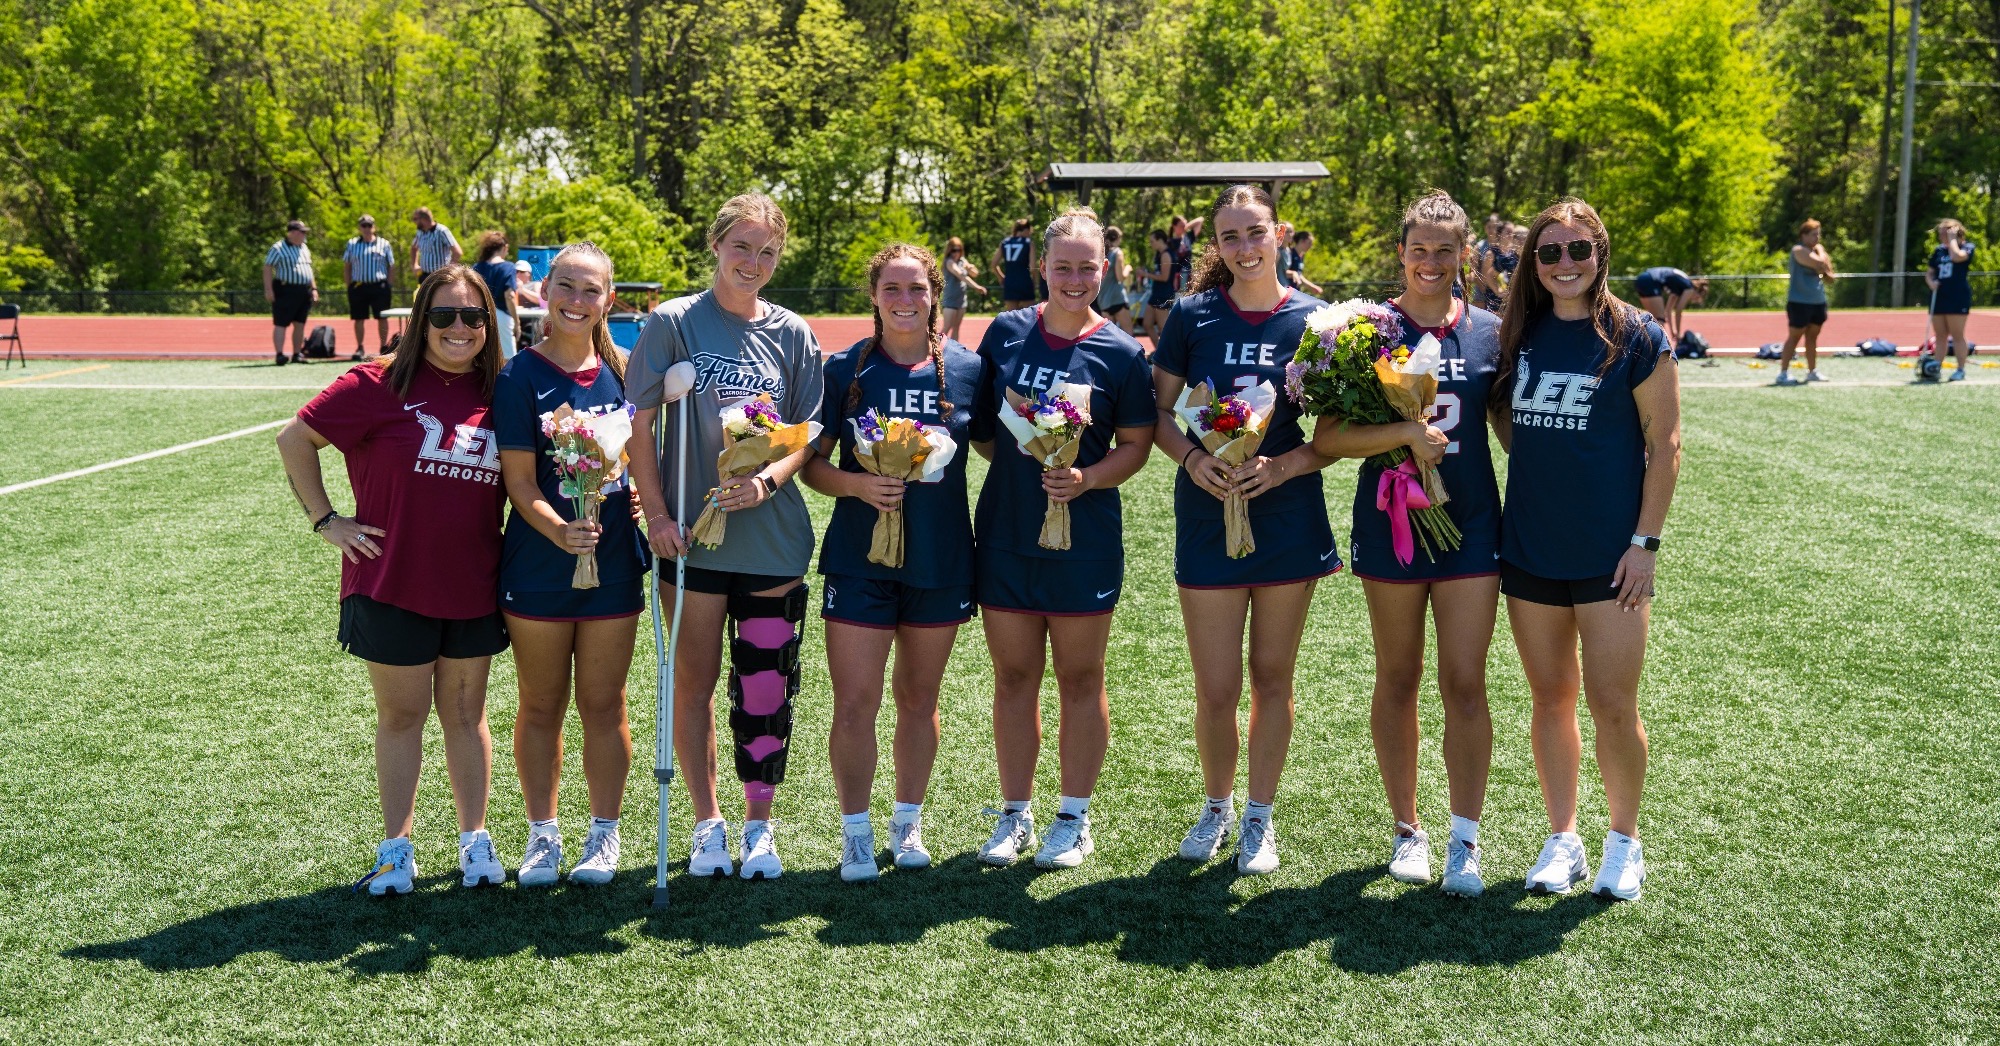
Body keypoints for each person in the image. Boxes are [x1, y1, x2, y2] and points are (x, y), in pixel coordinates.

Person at [274, 265, 510, 896]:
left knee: (466, 714)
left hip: (474, 582)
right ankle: (396, 850)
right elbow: (295, 438)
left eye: (473, 316)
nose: (459, 328)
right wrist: (327, 521)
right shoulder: (377, 381)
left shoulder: (503, 388)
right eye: (443, 316)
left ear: (489, 323)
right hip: (391, 580)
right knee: (403, 714)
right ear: (419, 319)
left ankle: (474, 843)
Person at [624, 193, 824, 881]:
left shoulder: (793, 333)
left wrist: (767, 482)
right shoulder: (672, 323)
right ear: (716, 246)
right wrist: (655, 516)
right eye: (742, 246)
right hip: (693, 542)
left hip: (773, 543)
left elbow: (806, 434)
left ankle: (759, 825)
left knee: (767, 688)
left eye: (768, 252)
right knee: (695, 684)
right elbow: (638, 430)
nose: (754, 262)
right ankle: (709, 824)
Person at [1312, 191, 1505, 897]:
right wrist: (1402, 435)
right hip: (1390, 520)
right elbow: (1328, 438)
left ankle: (1465, 838)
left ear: (1466, 257)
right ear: (1401, 253)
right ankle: (1406, 829)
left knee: (1464, 682)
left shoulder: (1489, 330)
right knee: (1397, 677)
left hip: (1472, 523)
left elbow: (1512, 430)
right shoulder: (1366, 330)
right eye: (1418, 249)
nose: (1431, 262)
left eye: (1445, 250)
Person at [1492, 198, 1682, 902]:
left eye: (1578, 250)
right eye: (1549, 252)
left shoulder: (1635, 334)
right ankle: (1563, 837)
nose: (1564, 263)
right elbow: (1509, 425)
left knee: (1611, 703)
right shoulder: (1521, 332)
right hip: (1531, 546)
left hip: (1613, 558)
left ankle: (1624, 843)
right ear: (1532, 263)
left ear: (1601, 254)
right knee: (1550, 697)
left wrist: (1644, 544)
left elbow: (1665, 446)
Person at [1149, 185, 1337, 875]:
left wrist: (1283, 467)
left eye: (1255, 232)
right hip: (1206, 512)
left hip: (1286, 514)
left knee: (1272, 678)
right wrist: (1196, 459)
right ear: (1217, 246)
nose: (1245, 247)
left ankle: (1260, 816)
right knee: (1217, 685)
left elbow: (1340, 434)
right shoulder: (1193, 316)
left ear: (1280, 233)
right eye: (1230, 237)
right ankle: (1217, 804)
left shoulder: (1318, 321)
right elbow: (1157, 412)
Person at [969, 207, 1156, 870]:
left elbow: (1136, 445)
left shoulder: (1123, 352)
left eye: (1087, 266)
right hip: (1006, 531)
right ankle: (1013, 814)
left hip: (1086, 538)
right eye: (1063, 266)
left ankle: (1072, 819)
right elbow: (985, 432)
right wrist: (1035, 467)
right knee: (1014, 675)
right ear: (1041, 267)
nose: (1075, 277)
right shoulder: (1005, 333)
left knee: (1081, 678)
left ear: (1104, 270)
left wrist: (1084, 476)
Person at [802, 243, 984, 882]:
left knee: (918, 698)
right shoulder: (843, 369)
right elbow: (812, 465)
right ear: (873, 295)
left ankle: (908, 825)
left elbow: (1002, 443)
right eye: (892, 289)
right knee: (854, 701)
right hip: (858, 559)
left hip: (940, 560)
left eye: (916, 289)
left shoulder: (966, 368)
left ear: (935, 293)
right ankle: (856, 834)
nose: (905, 301)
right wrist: (855, 486)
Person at [492, 242, 649, 888]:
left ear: (610, 300)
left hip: (612, 563)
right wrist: (561, 532)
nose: (577, 301)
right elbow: (520, 482)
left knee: (605, 703)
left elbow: (643, 463)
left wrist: (638, 491)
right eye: (566, 287)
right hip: (539, 563)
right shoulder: (518, 377)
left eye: (591, 291)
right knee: (540, 703)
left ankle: (604, 835)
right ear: (544, 292)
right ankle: (542, 835)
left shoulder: (628, 372)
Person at [1777, 219, 1837, 385]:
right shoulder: (1798, 250)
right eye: (1813, 234)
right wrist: (1822, 253)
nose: (1817, 238)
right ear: (1803, 236)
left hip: (1817, 301)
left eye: (1818, 234)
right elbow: (1820, 263)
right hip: (1799, 301)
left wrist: (1821, 255)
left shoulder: (1817, 251)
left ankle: (1812, 372)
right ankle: (1783, 373)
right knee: (1794, 337)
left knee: (1812, 337)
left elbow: (1830, 277)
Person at [1926, 218, 1977, 381]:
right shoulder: (1938, 251)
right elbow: (1930, 272)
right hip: (1940, 297)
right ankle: (1936, 366)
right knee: (1940, 335)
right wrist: (1931, 282)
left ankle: (1960, 369)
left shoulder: (1966, 247)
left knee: (1957, 335)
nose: (1941, 236)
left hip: (1957, 297)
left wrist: (1953, 240)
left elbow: (1956, 257)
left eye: (1944, 233)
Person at [264, 219, 318, 366]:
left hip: (303, 290)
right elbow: (268, 267)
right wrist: (268, 289)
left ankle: (296, 353)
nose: (304, 235)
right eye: (302, 232)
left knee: (300, 323)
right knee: (281, 323)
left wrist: (313, 288)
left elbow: (309, 270)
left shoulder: (304, 248)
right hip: (285, 289)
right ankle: (280, 354)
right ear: (292, 232)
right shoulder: (278, 248)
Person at [343, 214, 395, 361]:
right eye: (364, 225)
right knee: (359, 318)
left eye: (369, 225)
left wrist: (389, 284)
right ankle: (360, 347)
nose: (367, 228)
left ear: (374, 227)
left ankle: (384, 346)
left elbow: (391, 265)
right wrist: (349, 285)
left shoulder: (384, 244)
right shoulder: (352, 244)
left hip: (379, 286)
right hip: (359, 287)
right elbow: (347, 265)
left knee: (382, 317)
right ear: (360, 227)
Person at [472, 232, 521, 359]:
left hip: (478, 316)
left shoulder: (477, 267)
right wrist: (517, 322)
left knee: (480, 357)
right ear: (504, 248)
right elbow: (509, 296)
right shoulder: (508, 267)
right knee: (507, 359)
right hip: (502, 317)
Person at [1632, 265, 1706, 345]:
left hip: (1642, 278)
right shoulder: (1689, 288)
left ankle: (1645, 344)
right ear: (1697, 291)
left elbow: (1668, 310)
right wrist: (1678, 334)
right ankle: (1658, 347)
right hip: (1651, 280)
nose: (1693, 299)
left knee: (1652, 318)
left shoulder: (1679, 286)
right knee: (1660, 318)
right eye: (1697, 297)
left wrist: (1672, 331)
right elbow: (1678, 310)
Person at [941, 236, 987, 343]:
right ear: (949, 250)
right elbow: (961, 275)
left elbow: (975, 274)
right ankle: (935, 352)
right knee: (946, 328)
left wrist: (971, 267)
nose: (956, 253)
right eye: (953, 250)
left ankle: (954, 351)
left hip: (961, 300)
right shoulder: (949, 262)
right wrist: (977, 287)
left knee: (956, 327)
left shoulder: (962, 261)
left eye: (958, 250)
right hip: (950, 300)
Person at [1141, 229, 1177, 351]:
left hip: (1164, 294)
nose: (1151, 244)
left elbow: (1164, 277)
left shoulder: (1166, 254)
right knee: (1147, 324)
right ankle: (1159, 351)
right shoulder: (1159, 254)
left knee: (1164, 328)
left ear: (1160, 240)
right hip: (1156, 293)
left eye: (1152, 241)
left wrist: (1145, 274)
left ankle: (1171, 355)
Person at [993, 219, 1038, 311]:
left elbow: (993, 264)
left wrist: (1001, 277)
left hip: (1010, 282)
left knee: (1012, 317)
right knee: (1030, 316)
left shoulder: (1005, 242)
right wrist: (1034, 281)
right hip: (1024, 281)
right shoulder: (1028, 243)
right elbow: (1033, 267)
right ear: (1026, 230)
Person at [1097, 226, 1134, 334]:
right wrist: (1128, 268)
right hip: (1117, 298)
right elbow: (1120, 277)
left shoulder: (1100, 253)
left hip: (1103, 300)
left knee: (1110, 335)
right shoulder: (1117, 252)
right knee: (1128, 333)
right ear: (1117, 238)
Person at [410, 207, 463, 283]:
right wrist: (414, 265)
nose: (414, 222)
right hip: (424, 276)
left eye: (415, 219)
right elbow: (413, 248)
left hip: (439, 277)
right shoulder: (420, 232)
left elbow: (457, 252)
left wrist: (449, 271)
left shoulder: (442, 231)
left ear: (423, 219)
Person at [1475, 222, 1519, 312]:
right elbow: (1484, 278)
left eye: (1512, 232)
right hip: (1494, 298)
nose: (1511, 235)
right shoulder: (1491, 253)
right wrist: (1498, 292)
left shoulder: (1514, 253)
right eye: (1508, 232)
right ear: (1500, 234)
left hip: (1511, 297)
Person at [1289, 229, 1325, 297]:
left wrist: (1312, 287)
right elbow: (1282, 271)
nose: (1311, 246)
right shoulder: (1289, 253)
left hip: (1295, 291)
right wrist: (1312, 287)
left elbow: (1299, 275)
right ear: (1302, 241)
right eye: (1309, 243)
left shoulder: (1301, 256)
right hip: (1286, 289)